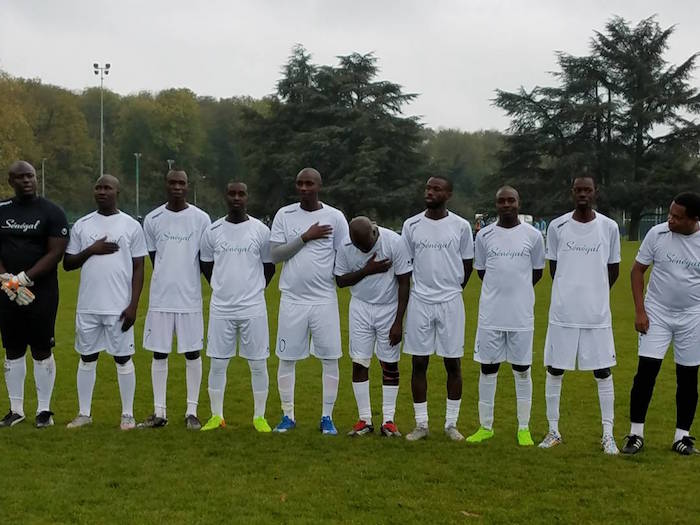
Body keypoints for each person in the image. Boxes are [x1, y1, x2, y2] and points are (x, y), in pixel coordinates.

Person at [539, 175, 620, 454]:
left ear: (595, 192)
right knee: (555, 368)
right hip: (563, 313)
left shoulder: (609, 227)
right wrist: (569, 293)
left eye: (588, 190)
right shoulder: (557, 226)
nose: (583, 194)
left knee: (602, 371)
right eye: (578, 190)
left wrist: (594, 294)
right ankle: (553, 431)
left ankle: (607, 435)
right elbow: (554, 269)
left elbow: (613, 270)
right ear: (572, 192)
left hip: (596, 315)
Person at [269, 168, 349, 435]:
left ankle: (327, 416)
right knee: (286, 358)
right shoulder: (285, 214)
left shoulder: (335, 217)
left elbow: (344, 255)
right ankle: (288, 415)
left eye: (309, 183)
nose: (304, 188)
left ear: (319, 185)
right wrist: (305, 237)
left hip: (324, 300)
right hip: (292, 299)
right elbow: (276, 255)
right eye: (300, 183)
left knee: (330, 358)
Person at [63, 175, 147, 430]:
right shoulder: (83, 225)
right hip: (89, 306)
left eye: (107, 188)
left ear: (117, 192)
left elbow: (139, 267)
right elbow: (67, 264)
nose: (102, 191)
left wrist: (133, 305)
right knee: (87, 358)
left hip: (119, 307)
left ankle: (128, 415)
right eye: (98, 187)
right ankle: (84, 413)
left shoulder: (131, 225)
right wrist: (91, 250)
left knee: (123, 359)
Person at [466, 186, 544, 446]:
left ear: (519, 203)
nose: (507, 205)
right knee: (488, 369)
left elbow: (537, 272)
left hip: (521, 315)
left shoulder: (533, 236)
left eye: (511, 200)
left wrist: (517, 292)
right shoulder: (485, 235)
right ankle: (485, 426)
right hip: (491, 314)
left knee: (522, 370)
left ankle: (524, 428)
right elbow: (482, 272)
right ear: (496, 204)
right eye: (502, 201)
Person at [622, 192, 700, 455]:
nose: (670, 220)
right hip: (657, 313)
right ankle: (635, 434)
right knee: (646, 373)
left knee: (688, 377)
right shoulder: (657, 234)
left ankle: (682, 437)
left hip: (692, 316)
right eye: (670, 213)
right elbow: (636, 271)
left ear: (695, 219)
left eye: (677, 217)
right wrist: (640, 311)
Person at [401, 176, 473, 441]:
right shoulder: (411, 225)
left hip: (450, 301)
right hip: (420, 300)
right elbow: (405, 266)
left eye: (436, 189)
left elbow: (467, 266)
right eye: (428, 187)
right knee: (419, 362)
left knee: (452, 362)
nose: (430, 192)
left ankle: (451, 424)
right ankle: (421, 424)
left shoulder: (461, 226)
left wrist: (451, 289)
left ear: (449, 194)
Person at [199, 182, 275, 432]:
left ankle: (259, 417)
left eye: (241, 194)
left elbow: (269, 267)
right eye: (231, 193)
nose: (236, 198)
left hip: (253, 308)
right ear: (225, 196)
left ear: (247, 197)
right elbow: (207, 266)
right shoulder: (213, 230)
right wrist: (222, 288)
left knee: (258, 364)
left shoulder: (261, 231)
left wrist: (253, 290)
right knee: (218, 363)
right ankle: (216, 415)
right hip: (222, 309)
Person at [0, 160, 69, 428]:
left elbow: (56, 252)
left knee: (41, 349)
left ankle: (44, 411)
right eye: (20, 177)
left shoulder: (52, 212)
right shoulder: (2, 210)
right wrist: (8, 280)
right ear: (11, 181)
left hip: (41, 292)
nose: (27, 180)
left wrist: (25, 278)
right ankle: (16, 409)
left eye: (30, 176)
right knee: (13, 349)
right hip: (7, 292)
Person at [140, 170, 210, 430]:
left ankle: (192, 411)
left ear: (188, 186)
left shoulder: (201, 219)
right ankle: (159, 412)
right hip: (160, 299)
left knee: (192, 353)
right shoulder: (152, 219)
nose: (177, 187)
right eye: (172, 183)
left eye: (182, 183)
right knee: (159, 354)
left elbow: (204, 259)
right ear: (166, 185)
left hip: (190, 299)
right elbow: (153, 256)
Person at [335, 216, 412, 437]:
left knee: (389, 364)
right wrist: (367, 270)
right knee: (359, 362)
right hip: (360, 307)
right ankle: (364, 420)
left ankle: (389, 421)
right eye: (358, 246)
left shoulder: (393, 242)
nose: (362, 249)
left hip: (388, 308)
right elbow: (340, 281)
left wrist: (398, 321)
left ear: (374, 233)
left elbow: (405, 281)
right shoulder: (346, 245)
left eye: (366, 245)